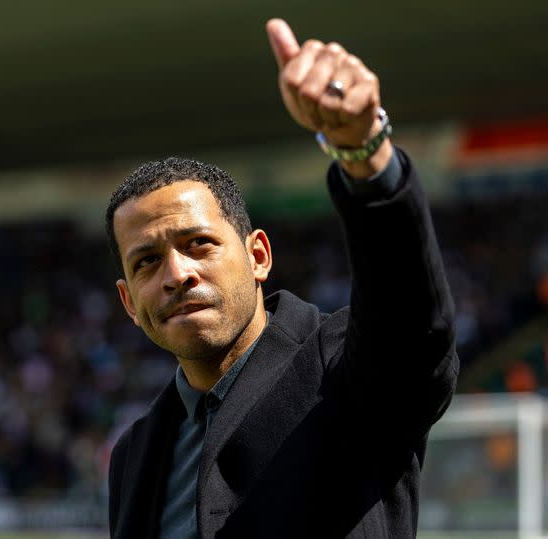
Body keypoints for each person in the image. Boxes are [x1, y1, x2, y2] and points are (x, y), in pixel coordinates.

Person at [105, 18, 458, 539]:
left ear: (259, 256)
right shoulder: (134, 454)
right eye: (146, 262)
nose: (177, 274)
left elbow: (411, 327)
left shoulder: (342, 369)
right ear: (129, 303)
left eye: (198, 244)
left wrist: (365, 155)